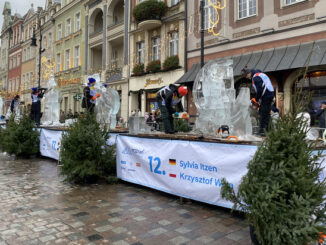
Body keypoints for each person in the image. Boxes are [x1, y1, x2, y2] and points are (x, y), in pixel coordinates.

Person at [242, 68, 275, 136]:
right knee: (265, 113)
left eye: (246, 76)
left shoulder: (256, 77)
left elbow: (260, 90)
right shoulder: (260, 74)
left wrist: (255, 100)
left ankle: (263, 132)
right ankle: (266, 130)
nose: (247, 78)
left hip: (266, 96)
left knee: (263, 114)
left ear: (249, 73)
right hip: (269, 95)